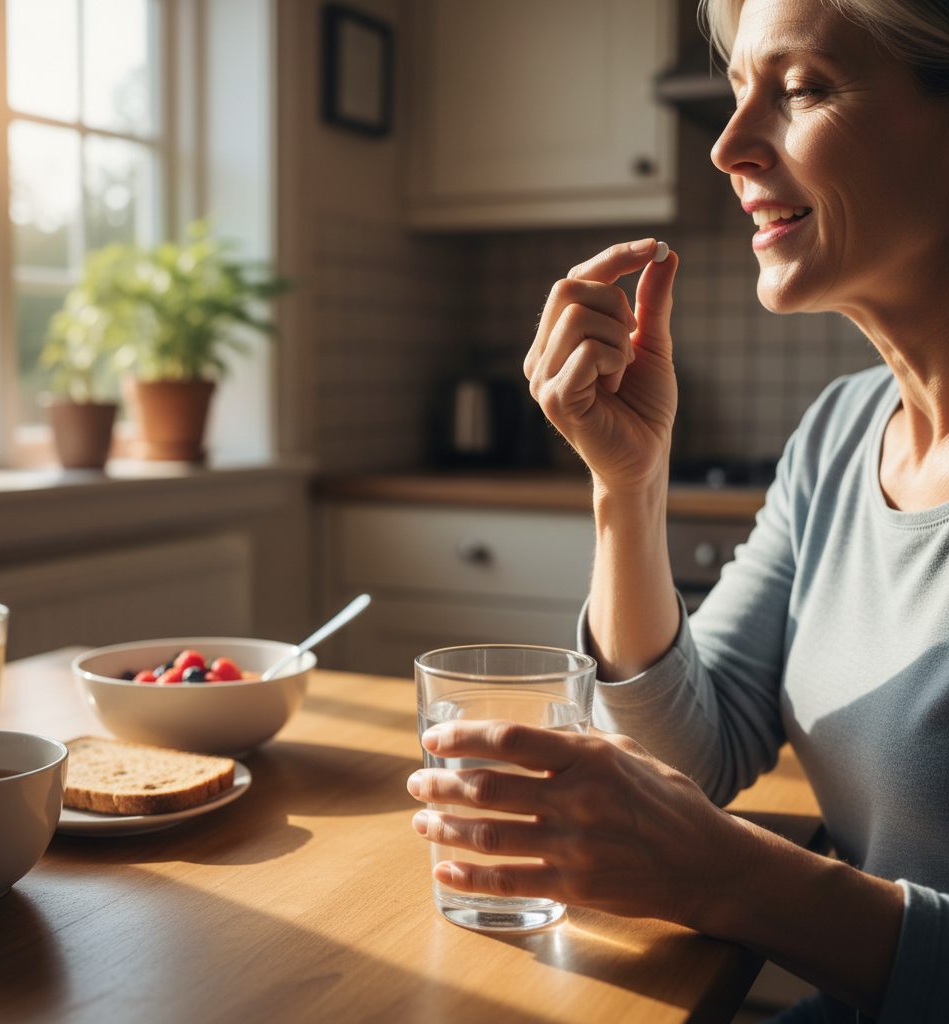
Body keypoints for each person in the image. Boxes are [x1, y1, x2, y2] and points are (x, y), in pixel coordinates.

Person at [406, 0, 949, 1020]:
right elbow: (690, 754)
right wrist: (628, 482)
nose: (729, 145)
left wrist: (731, 878)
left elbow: (691, 825)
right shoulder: (839, 434)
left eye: (800, 89)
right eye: (739, 90)